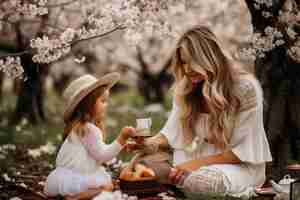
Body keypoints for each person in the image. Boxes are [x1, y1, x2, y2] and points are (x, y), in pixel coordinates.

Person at [139, 26, 273, 198]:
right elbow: (170, 134)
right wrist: (148, 143)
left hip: (236, 166)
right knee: (143, 167)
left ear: (209, 57)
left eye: (191, 61)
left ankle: (179, 183)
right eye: (183, 62)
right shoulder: (186, 89)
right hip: (188, 164)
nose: (187, 69)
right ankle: (177, 181)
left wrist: (192, 165)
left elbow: (239, 154)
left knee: (201, 183)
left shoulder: (245, 89)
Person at [44, 73, 136, 200]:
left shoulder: (80, 127)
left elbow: (97, 153)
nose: (106, 105)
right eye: (103, 101)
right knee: (107, 187)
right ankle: (76, 197)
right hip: (76, 178)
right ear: (89, 104)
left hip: (63, 177)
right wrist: (122, 138)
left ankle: (73, 195)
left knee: (107, 184)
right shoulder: (88, 129)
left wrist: (120, 146)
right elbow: (103, 156)